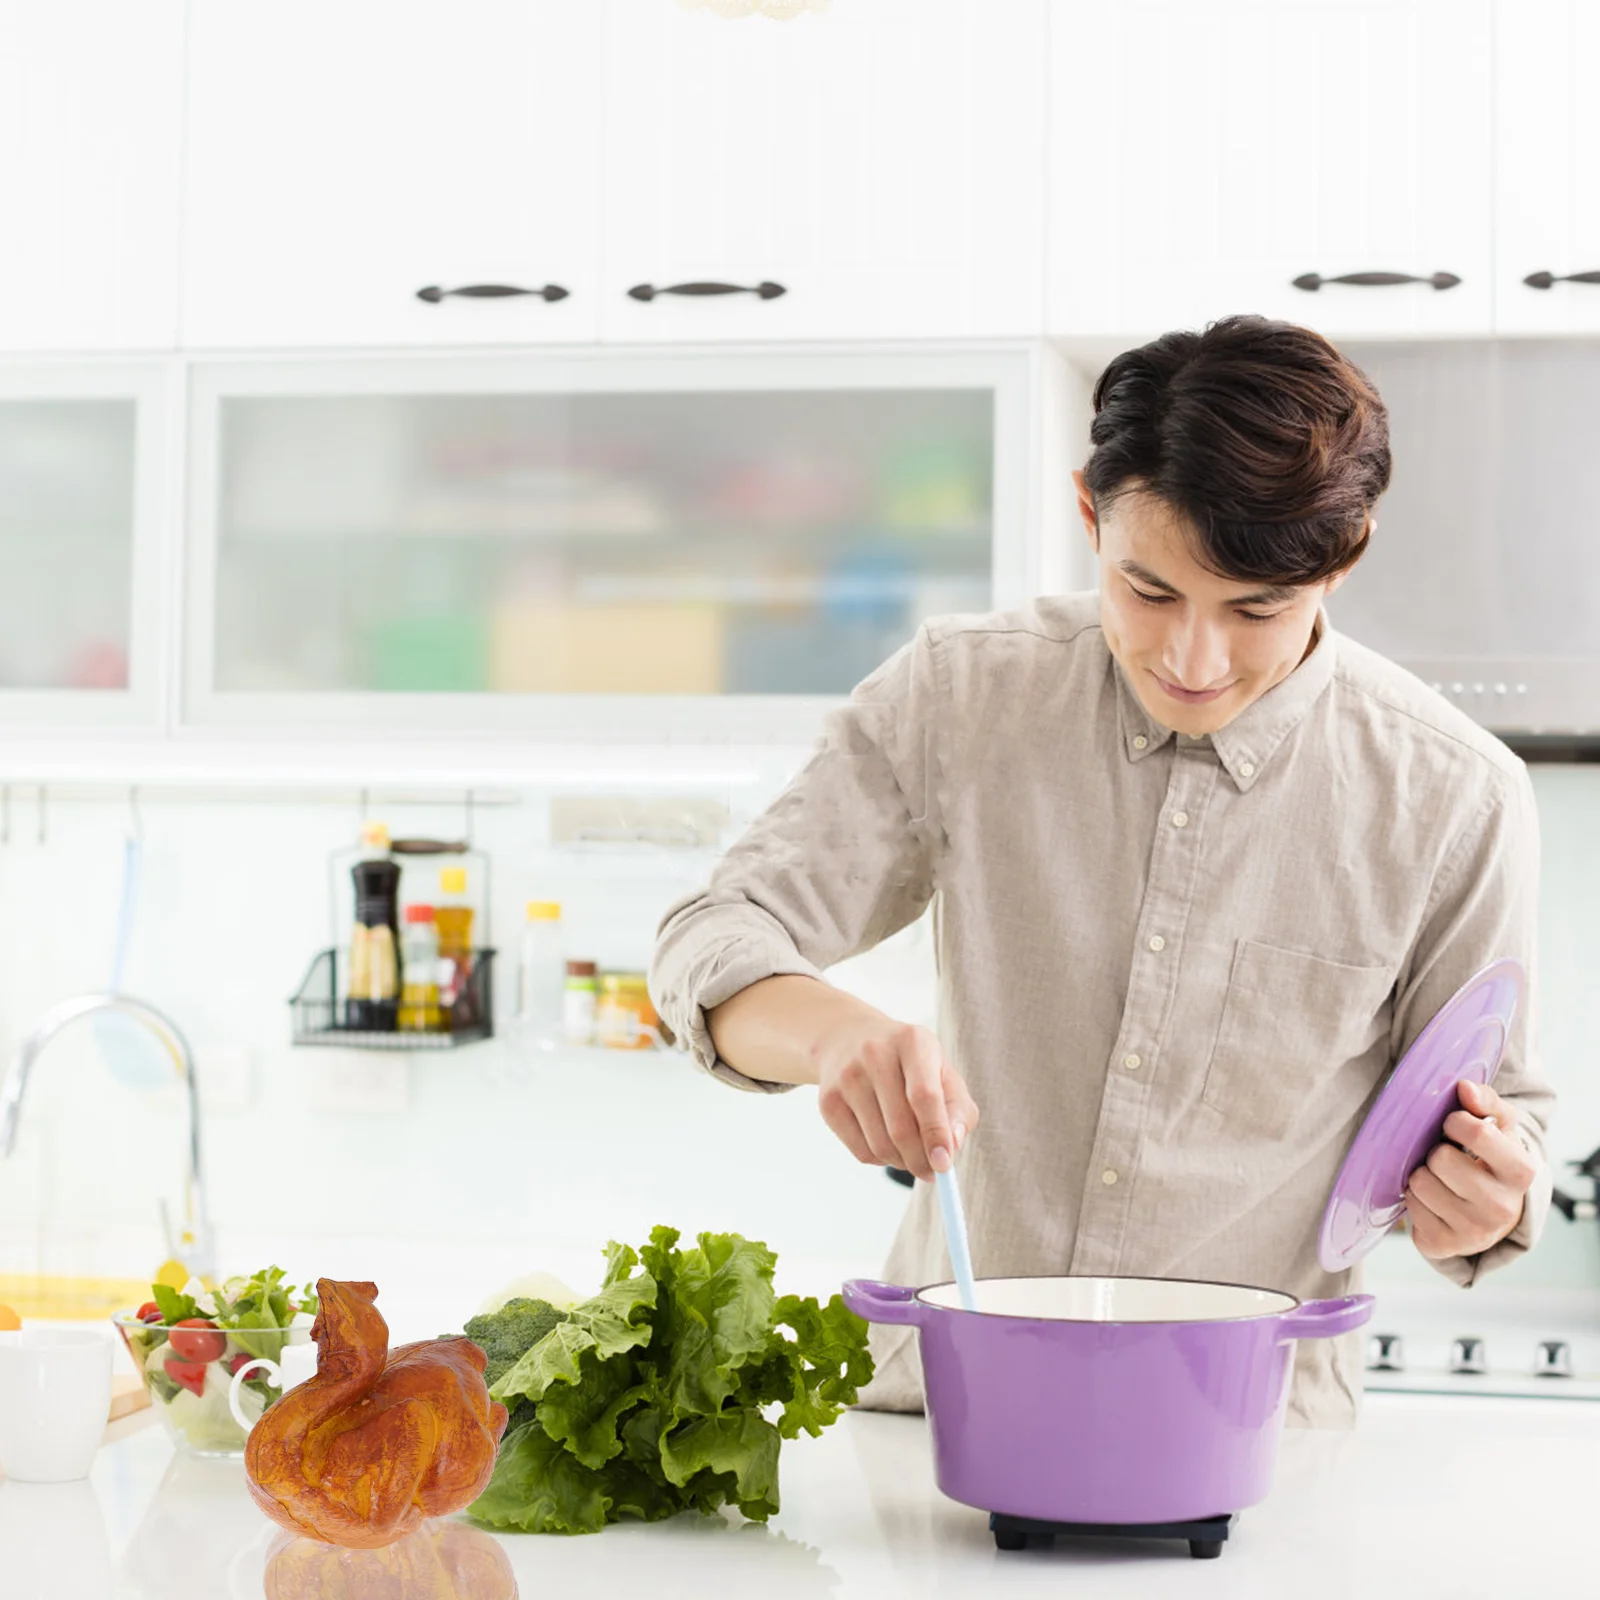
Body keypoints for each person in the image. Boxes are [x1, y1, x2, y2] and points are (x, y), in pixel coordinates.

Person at [648, 315, 1554, 1426]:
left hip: (1243, 1434)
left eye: (1255, 610)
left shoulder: (1455, 795)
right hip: (948, 1416)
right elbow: (712, 936)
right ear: (1087, 513)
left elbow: (1499, 1111)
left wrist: (1485, 1197)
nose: (1191, 659)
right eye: (1150, 590)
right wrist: (833, 1035)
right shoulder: (964, 694)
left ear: (1343, 557)